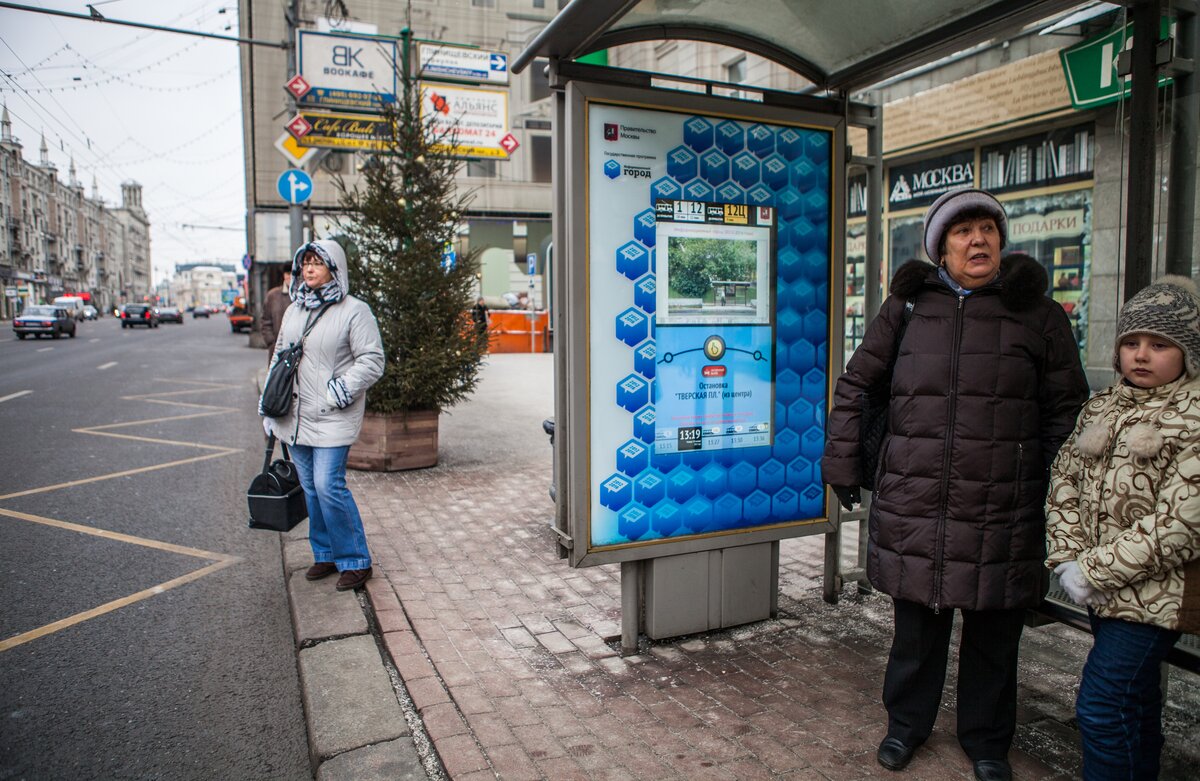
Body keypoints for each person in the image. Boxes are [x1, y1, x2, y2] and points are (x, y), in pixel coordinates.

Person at [822, 188, 1089, 781]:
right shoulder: (909, 309)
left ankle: (988, 740)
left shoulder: (1040, 316)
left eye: (988, 230)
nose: (978, 240)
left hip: (1003, 502)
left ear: (1001, 241)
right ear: (941, 246)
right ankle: (906, 727)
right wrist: (842, 465)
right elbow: (857, 385)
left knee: (995, 632)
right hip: (916, 499)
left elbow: (1066, 411)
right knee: (917, 628)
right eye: (963, 231)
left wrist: (1056, 493)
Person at [1045, 276, 1200, 781]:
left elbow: (1180, 524)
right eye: (1132, 342)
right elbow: (1064, 479)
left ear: (1188, 353)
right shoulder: (1104, 404)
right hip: (1101, 590)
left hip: (1156, 597)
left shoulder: (1193, 415)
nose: (1141, 355)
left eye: (1160, 344)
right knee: (1134, 704)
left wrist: (1093, 568)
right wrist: (1068, 556)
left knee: (1102, 706)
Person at [262, 240, 384, 592]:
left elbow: (372, 360)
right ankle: (326, 553)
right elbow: (279, 358)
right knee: (311, 489)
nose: (309, 269)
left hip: (331, 414)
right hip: (294, 416)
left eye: (317, 263)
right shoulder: (294, 310)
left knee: (329, 487)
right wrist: (269, 408)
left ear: (335, 267)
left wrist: (339, 390)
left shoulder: (354, 310)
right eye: (306, 263)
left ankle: (356, 560)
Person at [261, 268, 292, 361]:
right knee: (276, 374)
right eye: (288, 273)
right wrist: (271, 342)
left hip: (298, 351)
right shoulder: (273, 295)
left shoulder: (304, 295)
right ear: (284, 275)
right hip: (277, 350)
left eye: (293, 273)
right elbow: (265, 320)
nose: (290, 276)